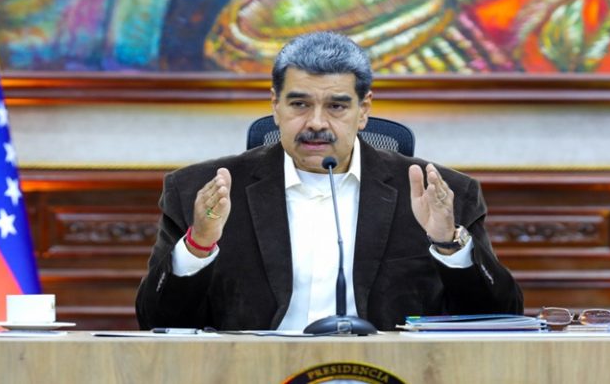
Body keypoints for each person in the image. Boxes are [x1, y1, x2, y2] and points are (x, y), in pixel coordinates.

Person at [135, 31, 522, 332]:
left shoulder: (443, 194)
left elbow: (500, 318)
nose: (317, 122)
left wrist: (449, 245)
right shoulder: (199, 192)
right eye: (299, 104)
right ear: (275, 106)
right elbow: (155, 321)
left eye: (336, 106)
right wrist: (198, 246)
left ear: (364, 110)